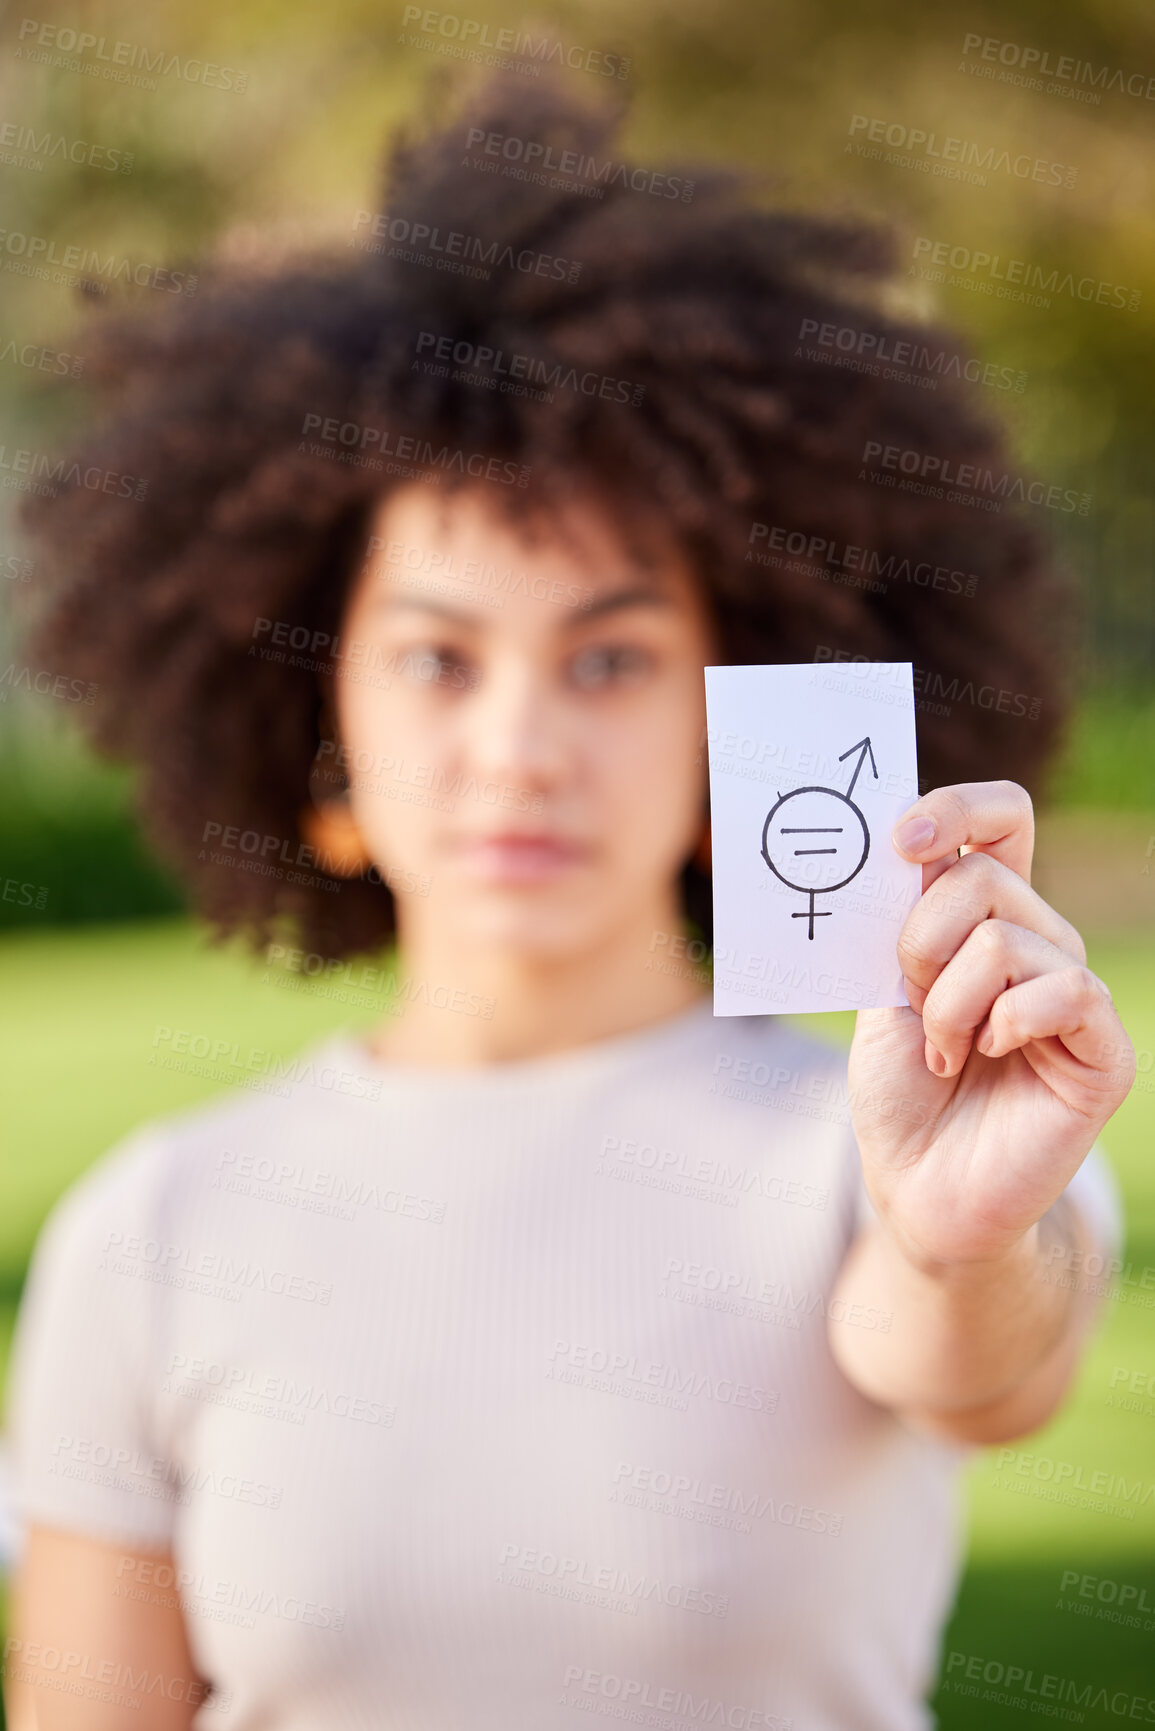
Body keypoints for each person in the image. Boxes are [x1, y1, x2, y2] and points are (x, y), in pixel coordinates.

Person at [2, 66, 1134, 1731]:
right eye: (437, 659)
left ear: (728, 724)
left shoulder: (900, 1151)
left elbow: (980, 1362)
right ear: (321, 750)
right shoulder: (153, 1236)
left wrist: (959, 1236)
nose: (519, 745)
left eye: (609, 658)